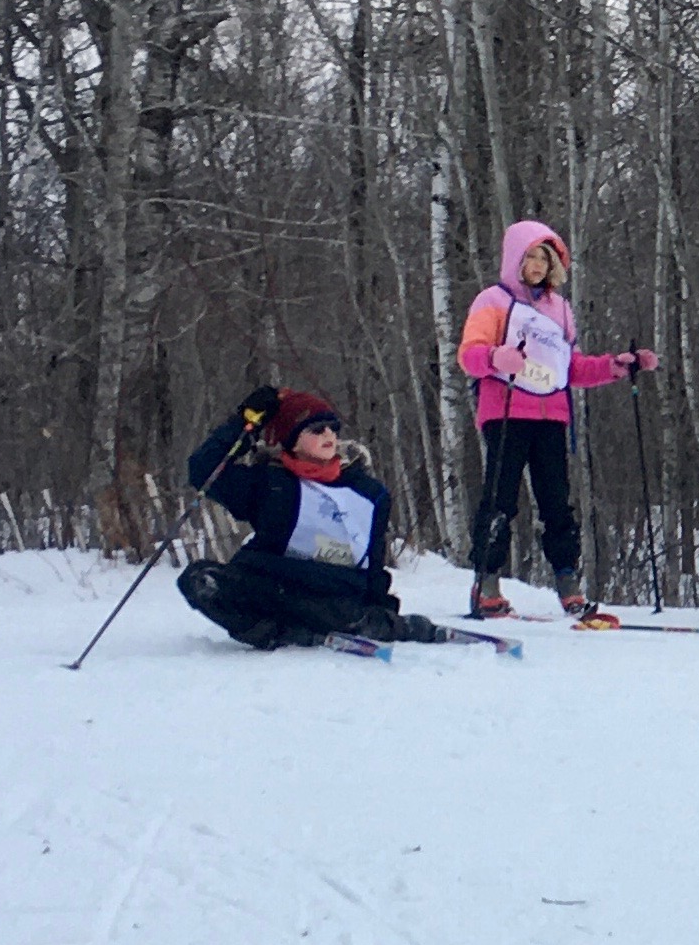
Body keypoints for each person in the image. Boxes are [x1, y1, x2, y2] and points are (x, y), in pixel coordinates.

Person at [455, 218, 655, 618]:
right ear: (515, 258)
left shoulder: (559, 308)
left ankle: (568, 582)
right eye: (530, 257)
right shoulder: (492, 300)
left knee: (556, 504)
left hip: (551, 415)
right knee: (500, 500)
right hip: (507, 409)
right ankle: (487, 582)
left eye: (544, 258)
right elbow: (469, 355)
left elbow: (571, 368)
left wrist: (616, 366)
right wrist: (496, 357)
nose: (537, 265)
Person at [177, 389, 450, 650]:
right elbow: (204, 469)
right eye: (317, 430)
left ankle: (382, 624)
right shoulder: (269, 484)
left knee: (346, 610)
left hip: (337, 592)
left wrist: (382, 606)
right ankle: (283, 634)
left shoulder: (368, 493)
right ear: (292, 440)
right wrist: (245, 423)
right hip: (277, 586)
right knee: (200, 580)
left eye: (333, 428)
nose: (329, 435)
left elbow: (373, 558)